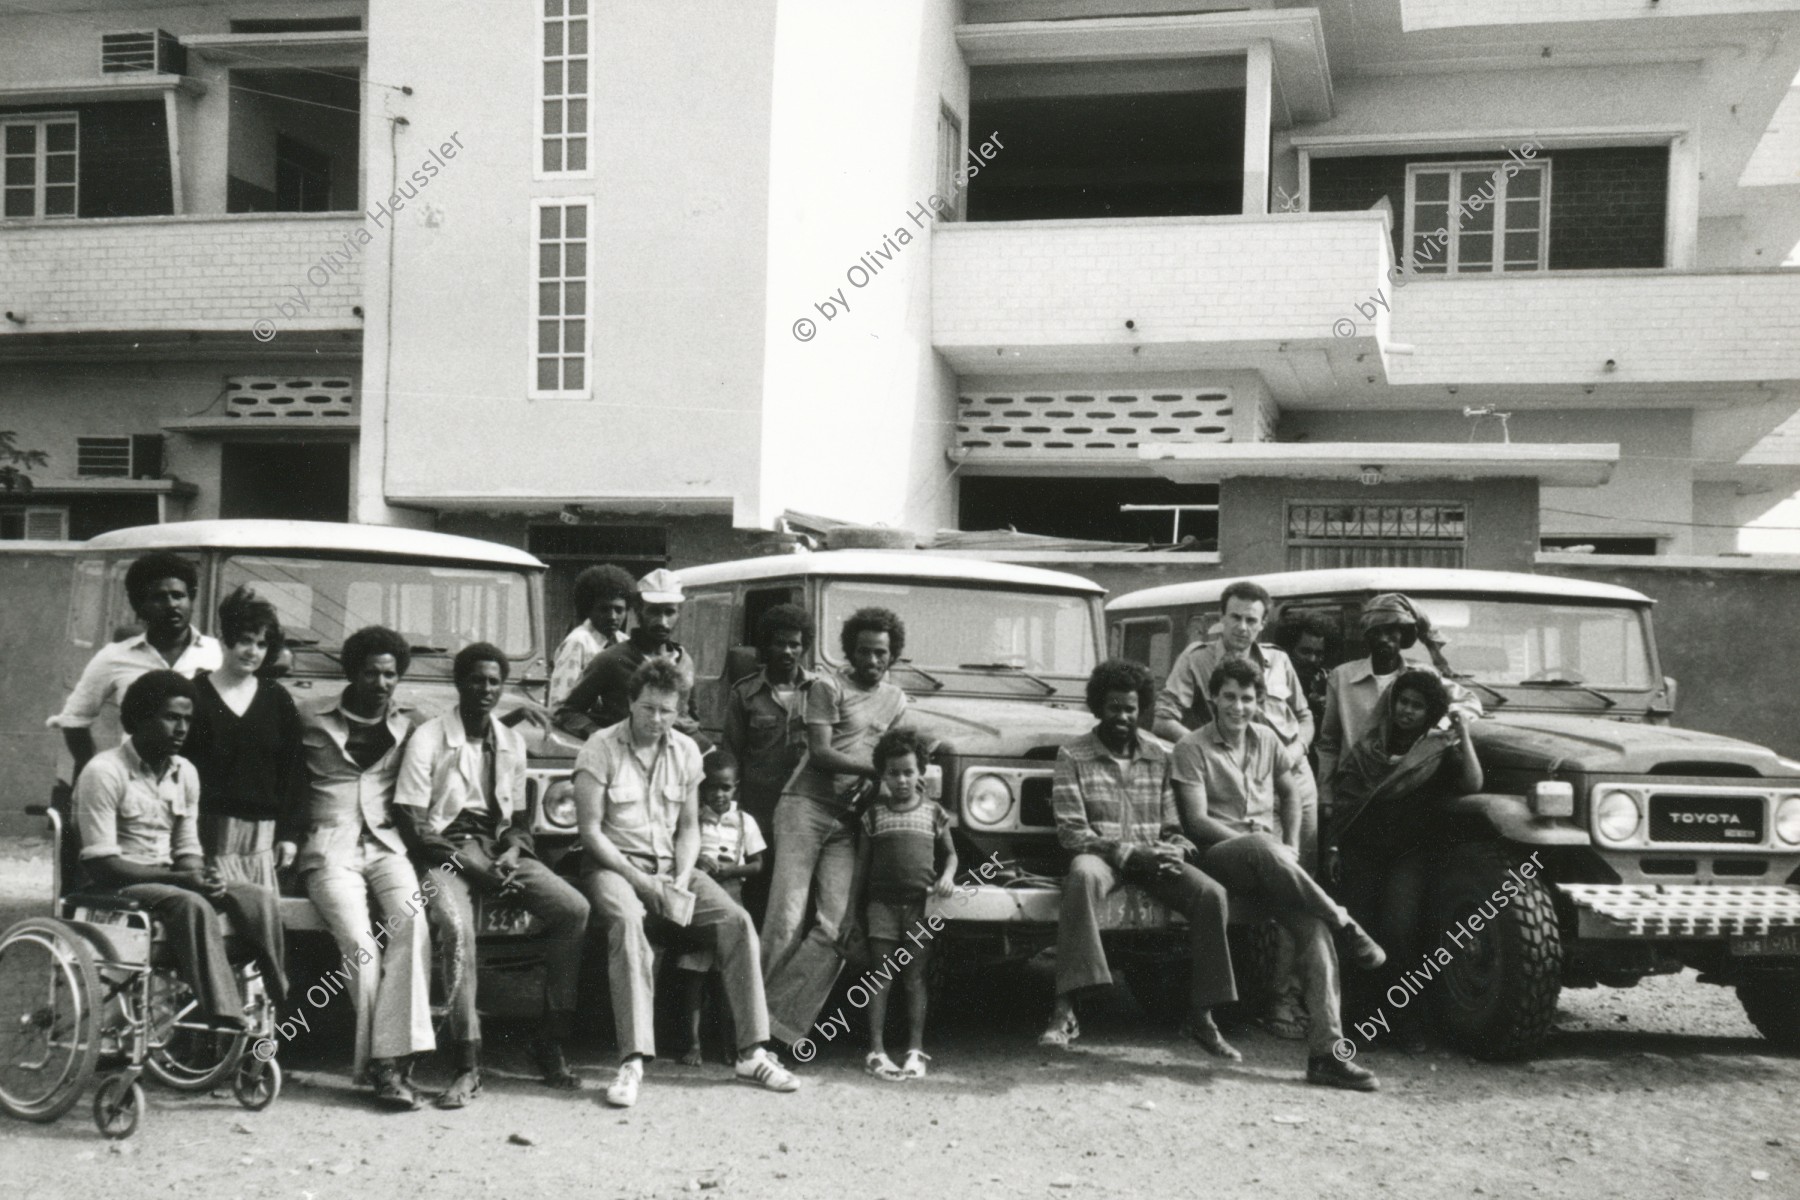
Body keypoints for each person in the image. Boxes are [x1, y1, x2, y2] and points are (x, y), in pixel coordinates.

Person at [573, 658, 800, 1108]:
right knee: (628, 922)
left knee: (736, 922)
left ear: (679, 711)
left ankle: (752, 1052)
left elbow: (690, 827)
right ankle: (632, 1061)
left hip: (672, 866)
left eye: (667, 711)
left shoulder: (686, 751)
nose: (656, 720)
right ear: (631, 703)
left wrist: (678, 877)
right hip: (615, 868)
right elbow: (591, 833)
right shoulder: (599, 748)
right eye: (648, 708)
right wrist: (643, 882)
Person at [1170, 656, 1385, 1091]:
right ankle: (1344, 919)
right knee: (1263, 848)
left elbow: (1290, 792)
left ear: (1259, 700)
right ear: (1213, 698)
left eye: (1247, 698)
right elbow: (1195, 822)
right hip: (1219, 860)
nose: (1238, 706)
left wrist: (1286, 844)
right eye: (1228, 697)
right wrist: (1261, 844)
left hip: (1269, 865)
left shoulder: (1268, 739)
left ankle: (1328, 1054)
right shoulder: (1191, 747)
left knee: (1315, 934)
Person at [393, 642, 592, 1107]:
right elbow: (414, 824)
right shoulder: (429, 738)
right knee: (456, 928)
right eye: (476, 680)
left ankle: (549, 1037)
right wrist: (475, 872)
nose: (484, 689)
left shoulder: (510, 742)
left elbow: (519, 820)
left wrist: (511, 851)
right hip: (446, 853)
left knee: (574, 910)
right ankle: (468, 1061)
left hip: (495, 851)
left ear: (502, 689)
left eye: (493, 682)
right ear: (460, 685)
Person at [1040, 659, 1238, 1060]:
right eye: (1114, 707)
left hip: (1153, 858)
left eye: (1130, 708)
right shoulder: (1072, 755)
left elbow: (1172, 825)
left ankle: (1202, 1014)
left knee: (1212, 894)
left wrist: (1174, 849)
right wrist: (1131, 854)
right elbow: (1072, 832)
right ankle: (1067, 1008)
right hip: (1103, 857)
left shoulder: (1157, 755)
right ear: (1099, 707)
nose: (1123, 716)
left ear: (1141, 708)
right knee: (1081, 875)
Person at [1152, 580, 1320, 1042]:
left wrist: (1296, 748)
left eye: (1252, 619)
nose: (1242, 627)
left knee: (1298, 879)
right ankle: (1249, 999)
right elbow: (1163, 714)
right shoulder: (1197, 658)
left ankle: (1284, 996)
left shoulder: (1281, 662)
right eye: (1234, 618)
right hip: (1229, 775)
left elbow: (1304, 717)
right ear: (1219, 619)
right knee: (1272, 879)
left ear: (1263, 623)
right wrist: (1201, 747)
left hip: (1288, 777)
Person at [277, 625, 436, 1110]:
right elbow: (283, 776)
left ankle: (387, 1060)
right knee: (360, 946)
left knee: (413, 925)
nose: (382, 683)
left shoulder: (413, 721)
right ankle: (383, 1067)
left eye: (390, 674)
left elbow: (459, 736)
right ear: (352, 672)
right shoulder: (308, 715)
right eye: (371, 672)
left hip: (387, 844)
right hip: (329, 847)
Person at [74, 670, 288, 1031]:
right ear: (141, 719)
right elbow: (104, 866)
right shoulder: (104, 771)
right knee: (190, 902)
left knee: (257, 896)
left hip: (167, 879)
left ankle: (279, 987)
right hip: (119, 884)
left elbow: (187, 845)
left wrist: (201, 874)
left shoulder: (184, 771)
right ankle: (222, 1010)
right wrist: (182, 880)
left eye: (188, 719)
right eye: (171, 717)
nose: (182, 728)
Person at [760, 607, 909, 1042]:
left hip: (846, 821)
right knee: (785, 920)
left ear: (892, 654)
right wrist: (875, 772)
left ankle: (776, 1022)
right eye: (863, 651)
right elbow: (821, 754)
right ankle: (748, 1025)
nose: (872, 660)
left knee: (835, 926)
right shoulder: (827, 686)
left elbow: (892, 755)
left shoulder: (897, 699)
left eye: (881, 652)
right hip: (803, 807)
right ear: (850, 651)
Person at [1331, 669, 1483, 1052]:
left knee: (1398, 931)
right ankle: (1358, 1026)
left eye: (1418, 706)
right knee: (1358, 931)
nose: (1407, 711)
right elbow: (1346, 802)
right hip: (1363, 851)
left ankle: (1405, 1024)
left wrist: (1462, 733)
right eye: (1403, 702)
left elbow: (1472, 784)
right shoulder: (1369, 748)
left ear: (1431, 712)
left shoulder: (1436, 750)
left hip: (1410, 856)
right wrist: (1334, 848)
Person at [50, 551, 222, 781]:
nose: (171, 604)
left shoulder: (217, 653)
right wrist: (98, 772)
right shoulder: (114, 656)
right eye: (159, 597)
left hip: (204, 784)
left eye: (178, 595)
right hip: (137, 785)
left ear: (190, 600)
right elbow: (74, 719)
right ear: (140, 606)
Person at [1316, 593, 1481, 821]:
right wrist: (1325, 793)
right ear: (1367, 636)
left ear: (1402, 635)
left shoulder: (1422, 676)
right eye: (1376, 632)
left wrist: (1439, 728)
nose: (1384, 639)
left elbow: (1468, 701)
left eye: (1390, 631)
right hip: (1355, 790)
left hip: (1406, 789)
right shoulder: (1342, 677)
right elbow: (1329, 742)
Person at [181, 587, 302, 891]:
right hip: (204, 837)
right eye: (245, 641)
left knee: (257, 926)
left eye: (262, 644)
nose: (253, 651)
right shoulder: (192, 694)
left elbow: (293, 773)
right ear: (224, 640)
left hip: (262, 843)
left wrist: (288, 835)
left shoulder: (277, 698)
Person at [852, 728, 955, 1081]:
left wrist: (948, 876)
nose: (901, 780)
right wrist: (853, 912)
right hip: (880, 906)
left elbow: (951, 856)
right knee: (880, 977)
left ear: (921, 772)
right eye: (893, 773)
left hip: (919, 908)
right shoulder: (874, 816)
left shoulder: (934, 813)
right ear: (882, 774)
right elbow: (861, 869)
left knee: (914, 977)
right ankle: (876, 1051)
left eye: (908, 772)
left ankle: (915, 1048)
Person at [723, 603, 817, 923]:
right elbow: (732, 754)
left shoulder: (821, 691)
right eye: (780, 643)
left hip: (806, 807)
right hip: (759, 808)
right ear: (766, 645)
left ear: (804, 647)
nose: (788, 650)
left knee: (802, 891)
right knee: (758, 886)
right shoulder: (745, 694)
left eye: (795, 644)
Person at [675, 748, 767, 1066]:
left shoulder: (744, 821)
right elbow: (680, 852)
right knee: (694, 975)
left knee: (730, 977)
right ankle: (693, 1044)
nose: (718, 794)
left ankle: (732, 1045)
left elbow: (758, 864)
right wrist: (697, 860)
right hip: (701, 905)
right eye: (711, 787)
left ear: (736, 787)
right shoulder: (693, 819)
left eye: (725, 787)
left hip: (733, 897)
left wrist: (730, 870)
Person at [555, 568, 705, 744]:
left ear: (679, 613)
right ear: (638, 611)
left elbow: (691, 718)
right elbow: (567, 712)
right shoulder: (611, 659)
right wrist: (602, 737)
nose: (662, 622)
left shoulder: (684, 661)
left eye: (669, 612)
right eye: (654, 612)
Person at [549, 564, 636, 709]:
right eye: (604, 609)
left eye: (619, 610)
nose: (613, 617)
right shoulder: (578, 642)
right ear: (588, 609)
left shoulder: (624, 642)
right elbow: (561, 701)